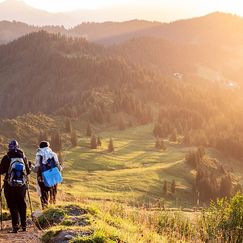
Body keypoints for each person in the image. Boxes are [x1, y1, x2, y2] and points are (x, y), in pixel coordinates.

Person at [0, 140, 30, 233]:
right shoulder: (23, 157)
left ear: (9, 147)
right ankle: (24, 225)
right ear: (18, 147)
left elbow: (1, 171)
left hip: (10, 185)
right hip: (22, 185)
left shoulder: (7, 157)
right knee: (22, 204)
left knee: (13, 205)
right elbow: (28, 171)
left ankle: (15, 226)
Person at [32, 141, 62, 209]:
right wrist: (61, 167)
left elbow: (36, 170)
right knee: (53, 193)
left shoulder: (39, 155)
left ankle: (44, 208)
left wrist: (30, 166)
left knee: (44, 194)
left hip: (42, 178)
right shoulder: (53, 154)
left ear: (40, 147)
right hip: (53, 177)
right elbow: (59, 168)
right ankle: (53, 207)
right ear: (48, 147)